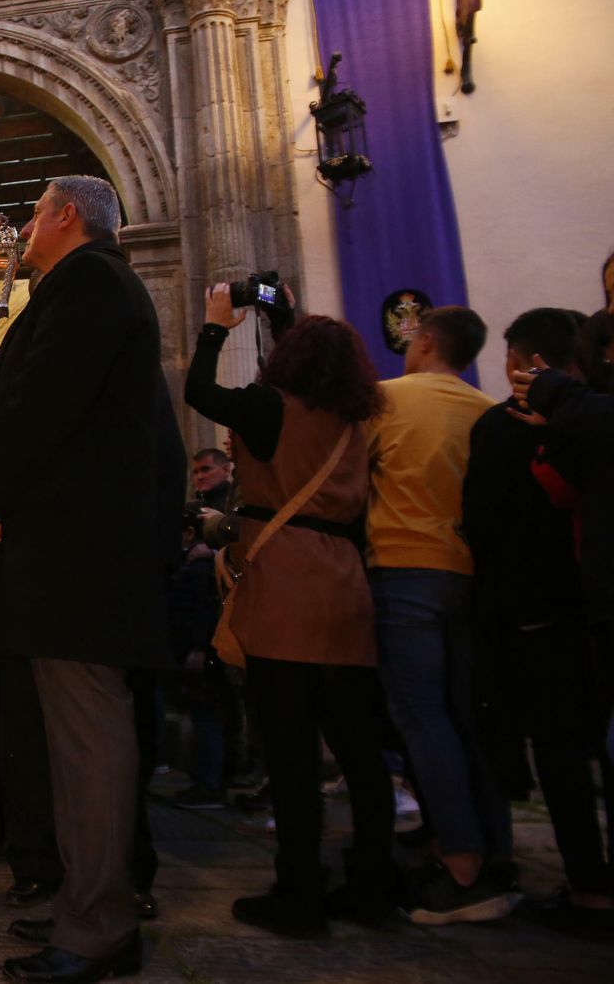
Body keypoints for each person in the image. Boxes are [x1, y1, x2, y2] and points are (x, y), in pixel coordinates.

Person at [0, 175, 176, 983]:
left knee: (89, 747)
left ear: (66, 217)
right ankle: (87, 900)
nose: (23, 230)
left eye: (33, 215)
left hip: (78, 562)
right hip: (70, 556)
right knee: (74, 746)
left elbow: (45, 405)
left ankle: (100, 925)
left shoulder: (90, 284)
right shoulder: (94, 286)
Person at [184, 286, 396, 937]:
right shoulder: (351, 420)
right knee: (361, 753)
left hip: (287, 589)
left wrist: (217, 327)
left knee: (292, 751)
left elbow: (198, 391)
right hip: (346, 584)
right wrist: (285, 316)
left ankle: (299, 892)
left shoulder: (268, 408)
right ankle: (372, 887)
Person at [367, 304, 514, 925]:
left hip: (403, 566)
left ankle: (460, 867)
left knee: (421, 719)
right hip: (467, 575)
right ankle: (489, 850)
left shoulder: (387, 398)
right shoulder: (487, 411)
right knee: (463, 719)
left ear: (425, 341)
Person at [468, 308, 613, 922]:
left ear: (523, 363)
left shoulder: (505, 428)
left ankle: (587, 886)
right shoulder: (598, 417)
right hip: (592, 607)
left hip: (537, 611)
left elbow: (483, 523)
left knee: (558, 754)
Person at [169, 448, 238, 811]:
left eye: (207, 469)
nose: (201, 477)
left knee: (210, 711)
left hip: (217, 623)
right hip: (203, 625)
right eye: (195, 471)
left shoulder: (232, 502)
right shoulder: (199, 505)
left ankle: (212, 780)